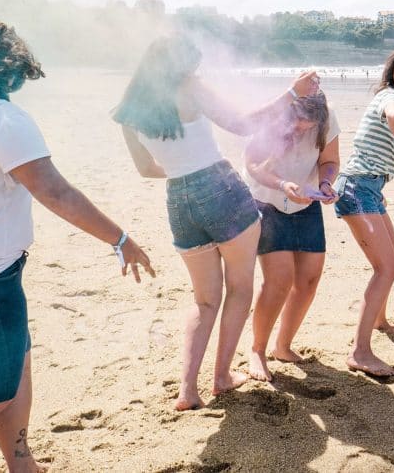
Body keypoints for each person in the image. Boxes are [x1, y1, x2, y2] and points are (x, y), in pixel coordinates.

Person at [0, 23, 156, 472]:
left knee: (17, 366)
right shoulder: (2, 118)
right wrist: (120, 239)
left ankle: (21, 461)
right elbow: (55, 192)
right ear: (9, 73)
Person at [114, 36, 317, 409]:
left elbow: (145, 168)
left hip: (178, 198)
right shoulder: (189, 86)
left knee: (205, 301)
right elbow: (242, 124)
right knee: (239, 288)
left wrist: (183, 171)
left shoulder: (128, 110)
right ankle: (221, 377)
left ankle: (187, 390)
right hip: (220, 187)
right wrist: (291, 93)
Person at [333, 44, 394, 376]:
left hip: (370, 188)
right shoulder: (391, 99)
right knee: (385, 268)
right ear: (392, 71)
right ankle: (359, 352)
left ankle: (380, 320)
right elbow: (391, 116)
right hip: (357, 188)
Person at [243, 92, 340, 382]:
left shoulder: (327, 119)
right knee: (279, 281)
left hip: (306, 202)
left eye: (308, 126)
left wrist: (325, 182)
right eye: (297, 123)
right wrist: (283, 184)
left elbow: (330, 160)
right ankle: (257, 350)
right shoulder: (273, 116)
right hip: (268, 201)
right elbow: (253, 166)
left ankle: (282, 346)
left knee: (309, 280)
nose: (301, 129)